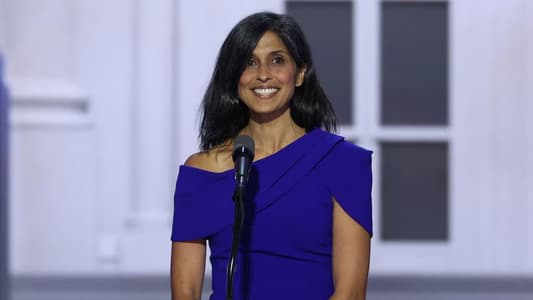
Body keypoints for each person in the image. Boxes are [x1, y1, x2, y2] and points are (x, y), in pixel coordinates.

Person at [170, 12, 372, 300]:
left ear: (300, 73)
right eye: (249, 62)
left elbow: (350, 293)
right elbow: (184, 292)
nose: (263, 74)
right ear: (234, 77)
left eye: (277, 60)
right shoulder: (201, 172)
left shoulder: (343, 163)